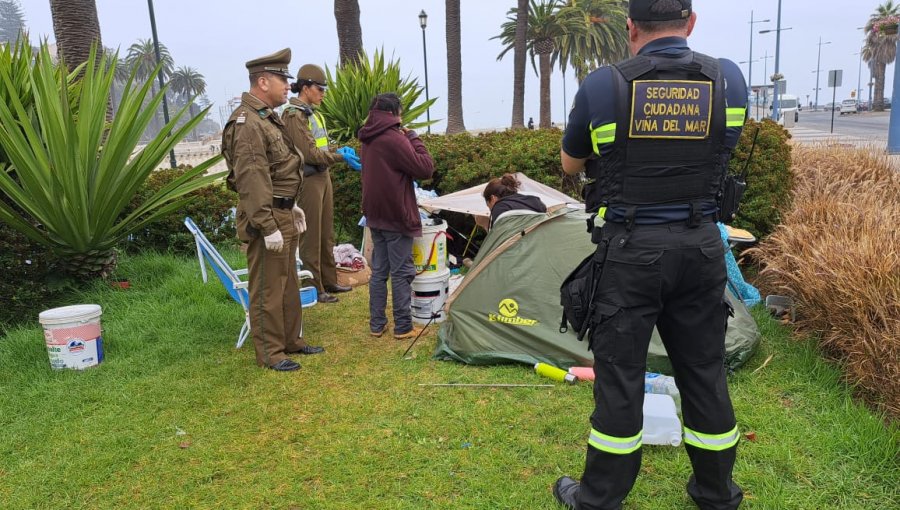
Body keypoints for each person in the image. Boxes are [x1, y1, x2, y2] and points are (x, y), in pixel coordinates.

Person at [554, 1, 747, 509]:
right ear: (690, 23)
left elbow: (571, 163)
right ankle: (716, 494)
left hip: (629, 253)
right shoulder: (727, 80)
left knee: (620, 378)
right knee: (704, 371)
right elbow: (722, 146)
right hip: (702, 247)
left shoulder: (603, 85)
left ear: (630, 27)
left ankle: (598, 499)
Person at [221, 48, 325, 372]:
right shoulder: (248, 122)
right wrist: (267, 226)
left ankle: (291, 340)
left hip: (282, 212)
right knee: (268, 286)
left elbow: (279, 168)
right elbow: (252, 178)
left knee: (288, 282)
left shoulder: (267, 117)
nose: (286, 86)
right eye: (282, 79)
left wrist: (292, 206)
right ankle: (271, 353)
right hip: (266, 216)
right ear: (263, 81)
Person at [282, 63, 360, 304]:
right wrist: (340, 157)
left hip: (322, 176)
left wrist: (338, 150)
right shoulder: (294, 115)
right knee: (311, 234)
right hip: (308, 179)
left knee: (326, 232)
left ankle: (328, 280)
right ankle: (313, 286)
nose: (323, 93)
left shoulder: (313, 114)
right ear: (305, 88)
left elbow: (321, 147)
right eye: (320, 89)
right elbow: (310, 154)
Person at [358, 93, 435, 339]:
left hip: (374, 213)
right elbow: (425, 168)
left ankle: (377, 324)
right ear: (395, 113)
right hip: (395, 213)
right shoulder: (394, 138)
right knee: (402, 271)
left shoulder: (367, 138)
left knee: (379, 270)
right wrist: (413, 136)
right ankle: (403, 326)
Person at [477, 173, 547, 230]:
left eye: (489, 206)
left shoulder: (500, 207)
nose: (490, 210)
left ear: (493, 198)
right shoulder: (535, 200)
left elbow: (501, 239)